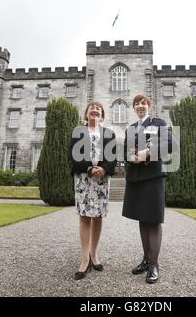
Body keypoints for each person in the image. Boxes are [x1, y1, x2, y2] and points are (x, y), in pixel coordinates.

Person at [122, 94, 175, 284]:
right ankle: (146, 259)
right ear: (134, 108)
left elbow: (172, 144)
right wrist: (131, 157)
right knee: (142, 220)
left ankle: (154, 264)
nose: (140, 106)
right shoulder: (130, 128)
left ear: (149, 105)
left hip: (153, 176)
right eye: (137, 104)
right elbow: (126, 152)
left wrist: (148, 152)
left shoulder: (158, 122)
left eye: (143, 103)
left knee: (153, 220)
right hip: (136, 178)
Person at [70, 101, 117, 280]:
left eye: (98, 109)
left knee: (97, 216)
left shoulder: (109, 134)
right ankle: (84, 259)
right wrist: (89, 168)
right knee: (84, 216)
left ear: (102, 115)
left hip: (102, 180)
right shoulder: (78, 132)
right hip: (83, 178)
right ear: (86, 113)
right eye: (92, 108)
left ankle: (94, 254)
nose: (95, 110)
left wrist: (104, 169)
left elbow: (112, 158)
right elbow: (73, 156)